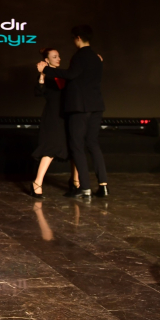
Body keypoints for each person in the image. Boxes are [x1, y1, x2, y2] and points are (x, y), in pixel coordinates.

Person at [39, 25, 108, 198]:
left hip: (80, 108)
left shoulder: (79, 56)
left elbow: (71, 74)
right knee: (93, 144)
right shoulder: (96, 58)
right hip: (96, 106)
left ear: (77, 38)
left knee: (77, 146)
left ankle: (84, 187)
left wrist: (45, 69)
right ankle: (103, 185)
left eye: (73, 38)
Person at [30, 48, 78, 198]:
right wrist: (42, 75)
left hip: (68, 116)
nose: (59, 59)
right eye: (55, 57)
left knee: (74, 148)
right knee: (50, 148)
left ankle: (76, 182)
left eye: (59, 56)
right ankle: (37, 183)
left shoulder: (65, 74)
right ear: (47, 60)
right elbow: (39, 92)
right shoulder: (47, 75)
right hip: (53, 116)